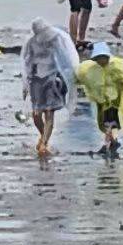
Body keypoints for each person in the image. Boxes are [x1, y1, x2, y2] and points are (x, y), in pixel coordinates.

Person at [74, 41, 123, 155]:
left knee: (109, 121)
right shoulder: (92, 69)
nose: (101, 61)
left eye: (103, 58)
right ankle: (112, 141)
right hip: (101, 99)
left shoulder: (116, 68)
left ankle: (108, 144)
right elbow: (84, 78)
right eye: (98, 58)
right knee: (104, 122)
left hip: (113, 100)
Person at [21, 18, 81, 158]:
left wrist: (72, 78)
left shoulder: (56, 41)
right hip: (36, 82)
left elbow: (66, 59)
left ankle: (43, 142)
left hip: (52, 80)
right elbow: (27, 63)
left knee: (49, 112)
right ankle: (44, 137)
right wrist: (25, 85)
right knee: (36, 114)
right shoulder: (31, 44)